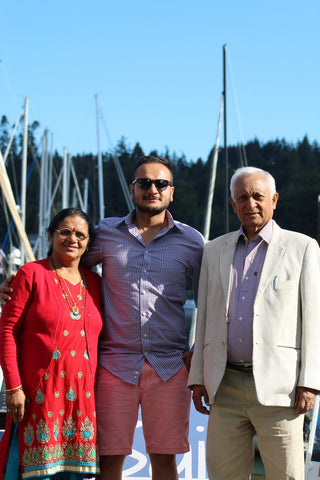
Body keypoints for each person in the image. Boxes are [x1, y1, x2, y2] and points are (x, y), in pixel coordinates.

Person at [188, 166, 320, 480]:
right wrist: (197, 377)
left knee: (286, 475)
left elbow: (314, 319)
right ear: (233, 205)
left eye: (258, 196)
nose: (251, 204)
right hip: (224, 384)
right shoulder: (213, 250)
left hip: (281, 388)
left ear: (274, 200)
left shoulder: (303, 248)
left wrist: (310, 382)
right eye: (243, 197)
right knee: (222, 475)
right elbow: (203, 316)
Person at [82, 155, 204, 480]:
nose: (153, 188)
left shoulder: (192, 241)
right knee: (107, 463)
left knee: (164, 463)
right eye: (145, 183)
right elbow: (67, 263)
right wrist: (25, 279)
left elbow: (211, 299)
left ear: (171, 192)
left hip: (170, 367)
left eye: (161, 183)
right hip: (114, 364)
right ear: (133, 189)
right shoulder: (106, 233)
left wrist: (197, 350)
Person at [0, 208, 103, 479]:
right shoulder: (31, 274)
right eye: (65, 232)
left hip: (82, 402)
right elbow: (7, 330)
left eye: (81, 234)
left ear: (88, 243)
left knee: (72, 474)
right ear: (50, 237)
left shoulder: (96, 284)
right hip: (37, 398)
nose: (73, 239)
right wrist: (13, 387)